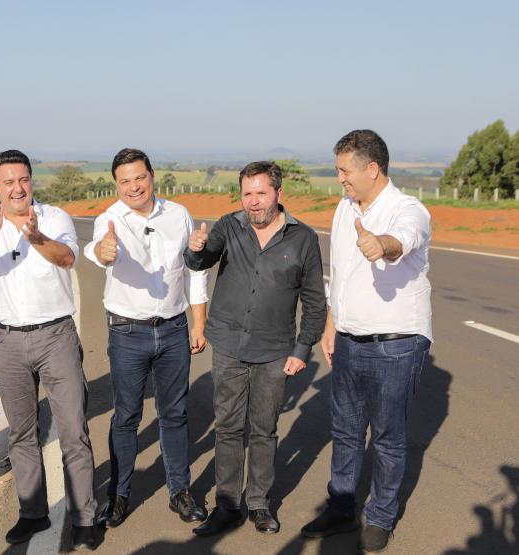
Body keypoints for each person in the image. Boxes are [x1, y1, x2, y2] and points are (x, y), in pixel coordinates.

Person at [300, 130, 432, 553]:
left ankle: (380, 515)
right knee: (345, 430)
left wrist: (383, 245)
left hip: (397, 344)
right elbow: (341, 274)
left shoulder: (407, 209)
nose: (340, 178)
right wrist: (331, 324)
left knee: (389, 435)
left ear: (372, 169)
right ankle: (341, 506)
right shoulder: (344, 208)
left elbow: (404, 239)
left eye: (345, 170)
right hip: (350, 339)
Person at [0, 149, 97, 550]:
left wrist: (36, 237)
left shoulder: (54, 218)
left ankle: (85, 517)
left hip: (56, 336)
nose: (17, 188)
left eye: (23, 180)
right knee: (21, 432)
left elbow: (68, 258)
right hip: (7, 340)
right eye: (8, 182)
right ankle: (33, 513)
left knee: (73, 429)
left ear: (31, 181)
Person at [183, 161, 327, 537]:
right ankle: (227, 504)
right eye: (247, 193)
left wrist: (301, 349)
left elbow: (314, 301)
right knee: (228, 428)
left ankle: (259, 503)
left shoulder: (303, 239)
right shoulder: (229, 226)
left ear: (279, 194)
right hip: (229, 344)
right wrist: (195, 249)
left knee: (264, 429)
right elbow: (201, 260)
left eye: (261, 193)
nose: (253, 201)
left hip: (276, 350)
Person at [84, 148, 209, 529]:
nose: (133, 186)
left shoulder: (178, 215)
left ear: (152, 176)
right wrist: (103, 252)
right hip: (127, 332)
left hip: (173, 329)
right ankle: (119, 496)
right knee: (126, 417)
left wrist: (198, 323)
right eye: (124, 181)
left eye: (139, 177)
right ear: (116, 185)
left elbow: (194, 271)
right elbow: (98, 251)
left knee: (175, 414)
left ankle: (180, 491)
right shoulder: (109, 220)